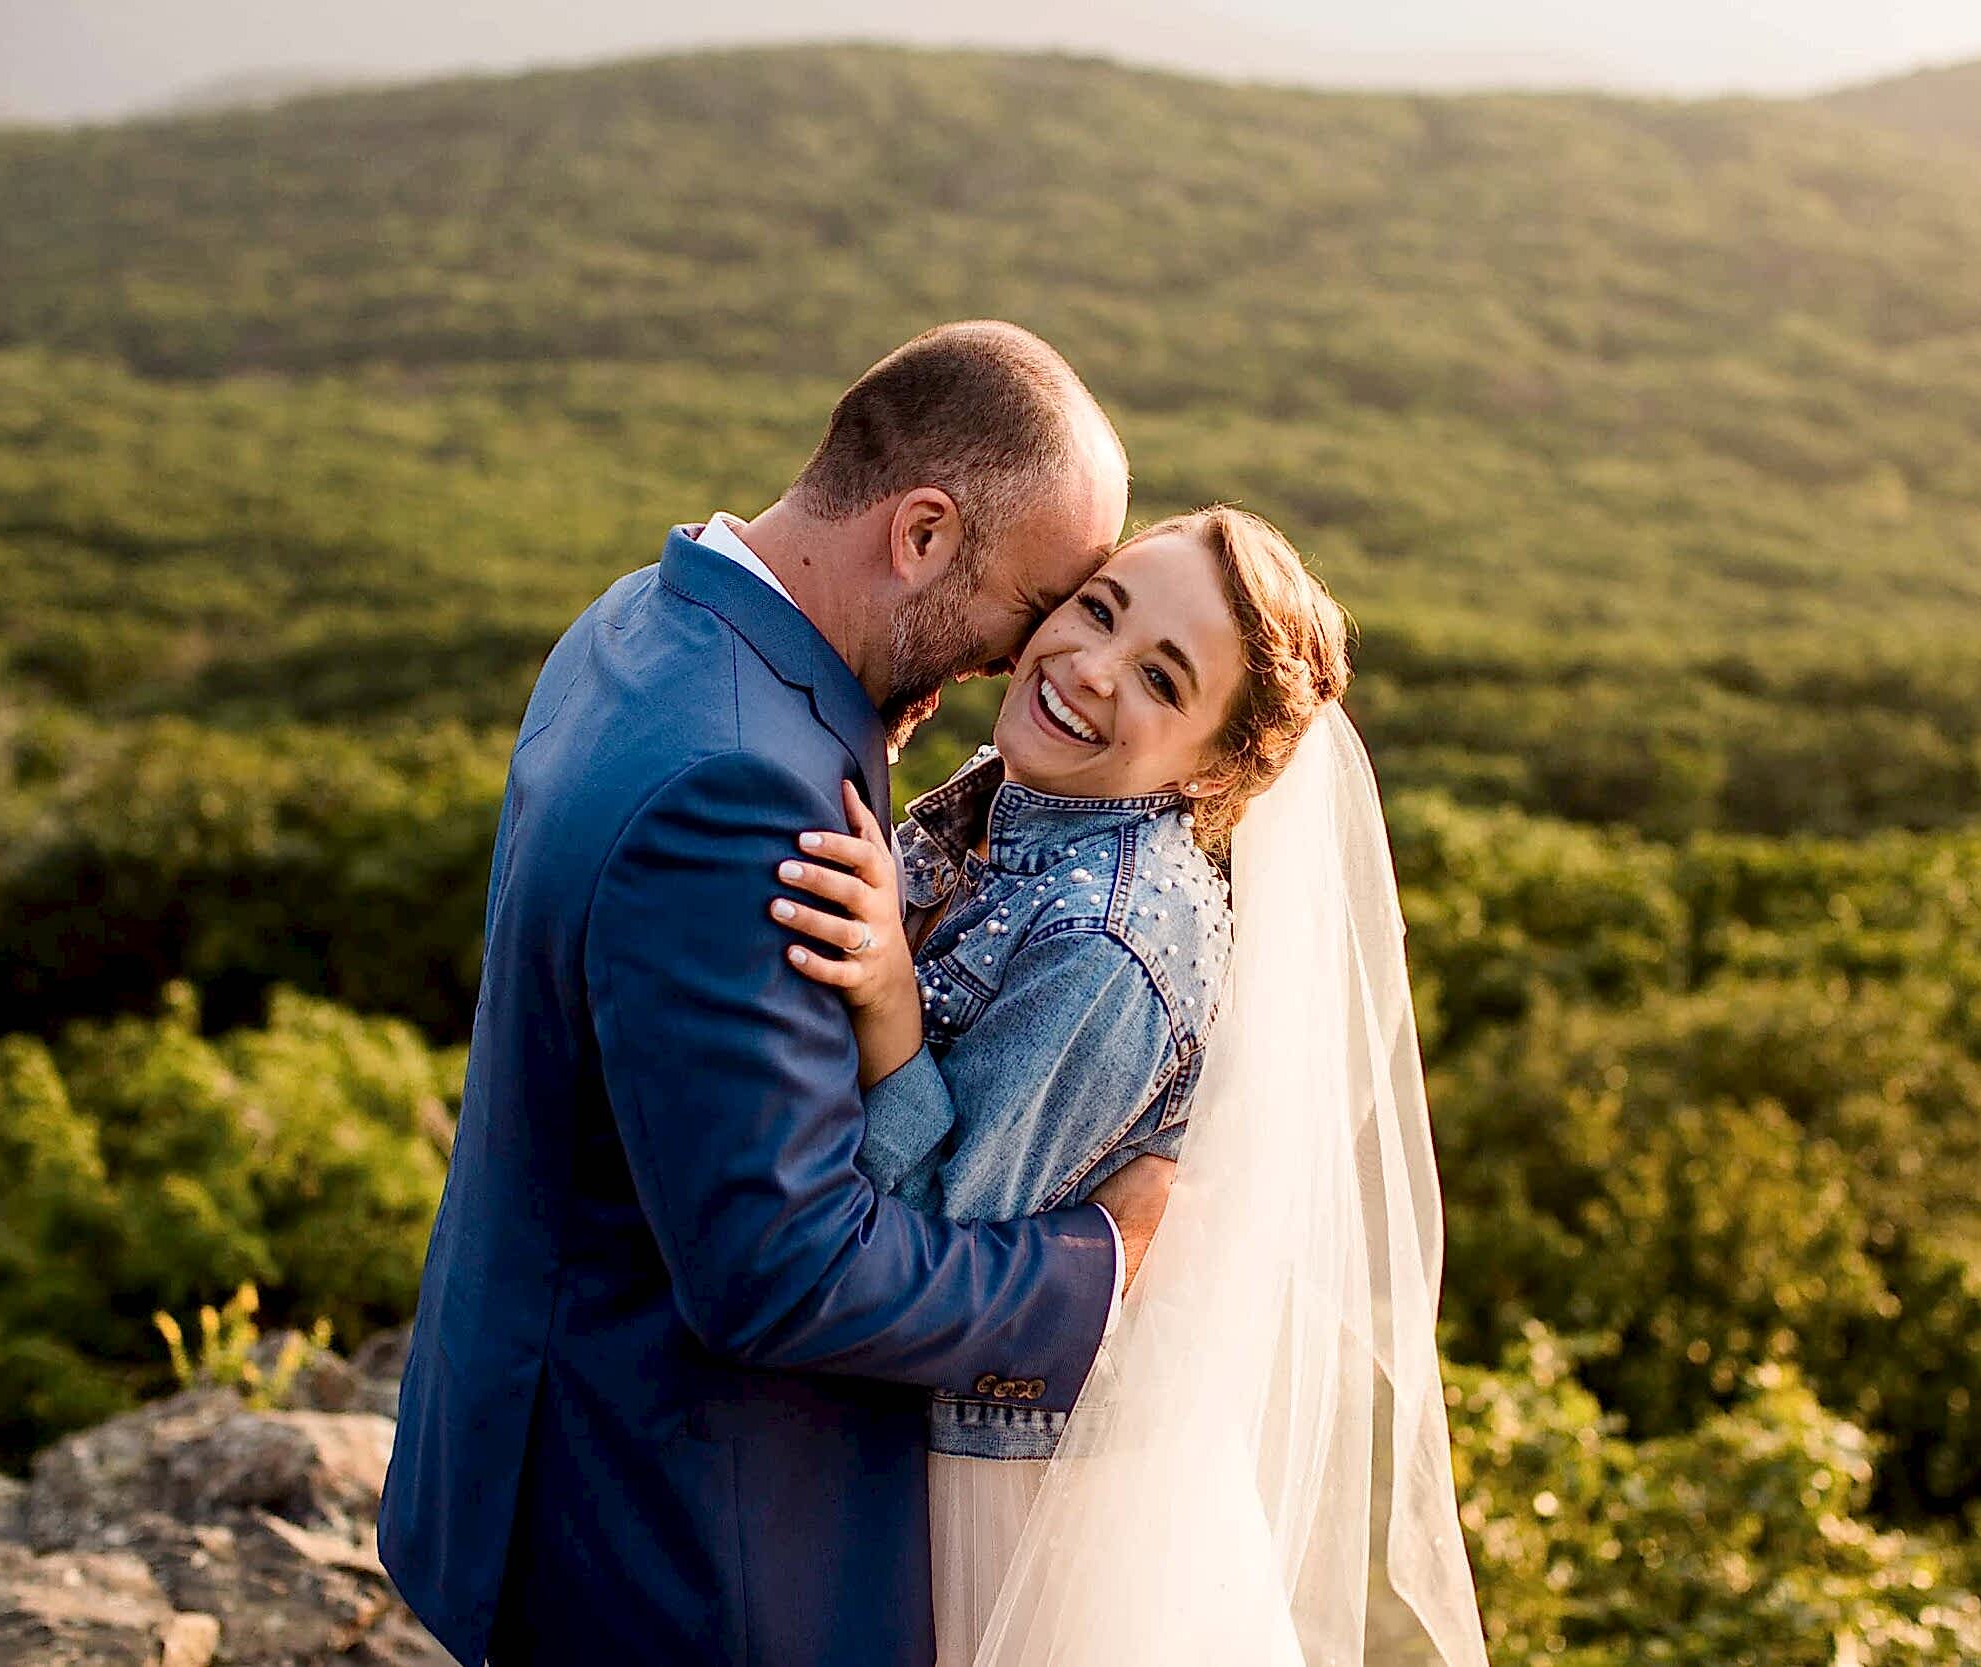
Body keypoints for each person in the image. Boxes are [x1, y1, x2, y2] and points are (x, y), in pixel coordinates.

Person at [377, 321, 1180, 1667]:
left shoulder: (643, 618)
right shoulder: (744, 787)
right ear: (921, 536)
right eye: (1030, 603)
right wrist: (1095, 1266)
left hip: (545, 1432)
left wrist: (859, 714)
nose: (1015, 660)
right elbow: (780, 1268)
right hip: (683, 1539)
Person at [774, 508, 1489, 1665]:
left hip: (1004, 1502)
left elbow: (944, 1253)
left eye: (1161, 679)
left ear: (1213, 765)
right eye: (1098, 607)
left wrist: (891, 1010)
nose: (1090, 668)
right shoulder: (1023, 785)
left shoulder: (1112, 942)